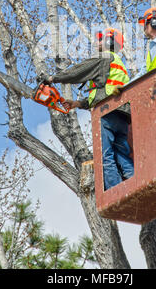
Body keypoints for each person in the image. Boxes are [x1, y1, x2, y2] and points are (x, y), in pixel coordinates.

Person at [45, 28, 134, 191]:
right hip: (122, 115)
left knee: (105, 155)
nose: (97, 42)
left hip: (107, 113)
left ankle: (116, 191)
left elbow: (79, 71)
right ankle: (134, 182)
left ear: (110, 42)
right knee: (121, 153)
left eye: (101, 39)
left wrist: (53, 78)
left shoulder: (103, 57)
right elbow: (102, 91)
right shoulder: (117, 62)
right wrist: (77, 104)